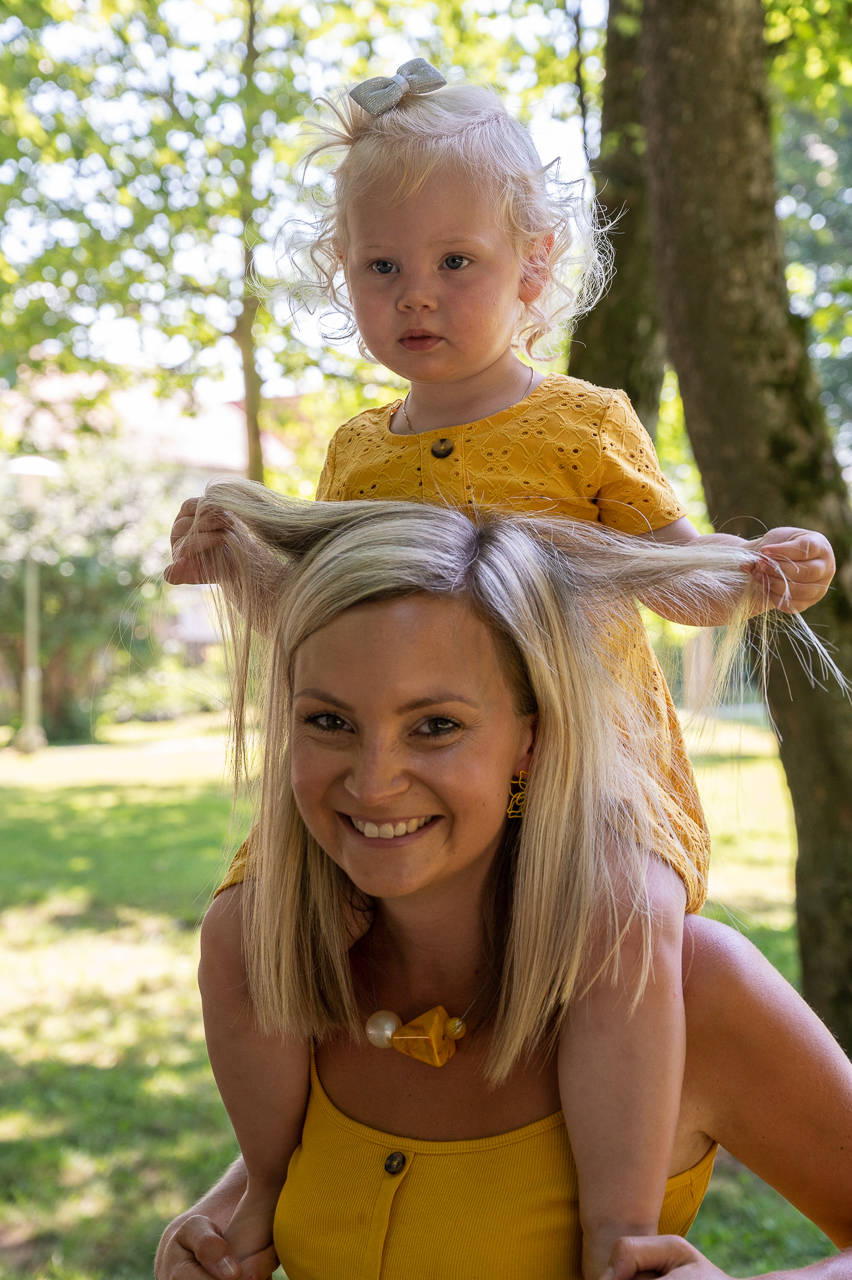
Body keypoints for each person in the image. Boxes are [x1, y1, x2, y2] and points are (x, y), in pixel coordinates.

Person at [164, 71, 836, 1276]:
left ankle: (618, 1224)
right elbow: (340, 625)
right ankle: (261, 1178)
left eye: (455, 262)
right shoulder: (356, 449)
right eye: (381, 266)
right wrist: (240, 560)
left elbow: (672, 575)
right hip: (428, 769)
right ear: (342, 271)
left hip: (590, 780)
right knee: (239, 927)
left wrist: (755, 573)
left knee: (624, 921)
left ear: (534, 266)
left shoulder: (582, 423)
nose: (415, 293)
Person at [159, 487, 847, 1280]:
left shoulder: (692, 986)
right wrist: (214, 1236)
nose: (373, 782)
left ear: (531, 738)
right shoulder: (288, 975)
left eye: (435, 726)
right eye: (329, 721)